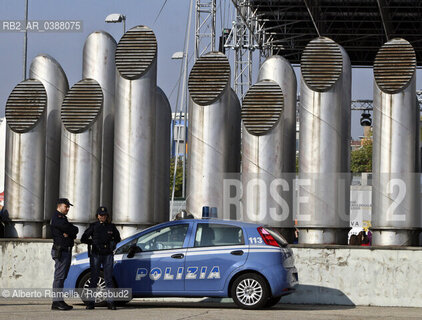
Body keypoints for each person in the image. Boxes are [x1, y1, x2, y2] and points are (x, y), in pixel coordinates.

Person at [81, 206, 121, 310]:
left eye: (104, 215)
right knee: (94, 278)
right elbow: (83, 238)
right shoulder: (94, 226)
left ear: (107, 216)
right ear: (97, 216)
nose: (102, 216)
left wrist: (112, 244)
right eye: (100, 215)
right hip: (96, 254)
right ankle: (90, 303)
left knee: (108, 279)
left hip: (108, 254)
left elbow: (118, 238)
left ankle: (111, 302)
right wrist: (92, 243)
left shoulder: (111, 227)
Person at [50, 198, 79, 311]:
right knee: (59, 277)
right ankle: (56, 302)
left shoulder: (63, 218)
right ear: (59, 206)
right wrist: (71, 231)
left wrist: (71, 232)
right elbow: (69, 229)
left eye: (68, 207)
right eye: (66, 206)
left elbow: (73, 230)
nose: (67, 209)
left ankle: (59, 300)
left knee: (62, 277)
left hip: (65, 249)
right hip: (61, 250)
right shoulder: (58, 218)